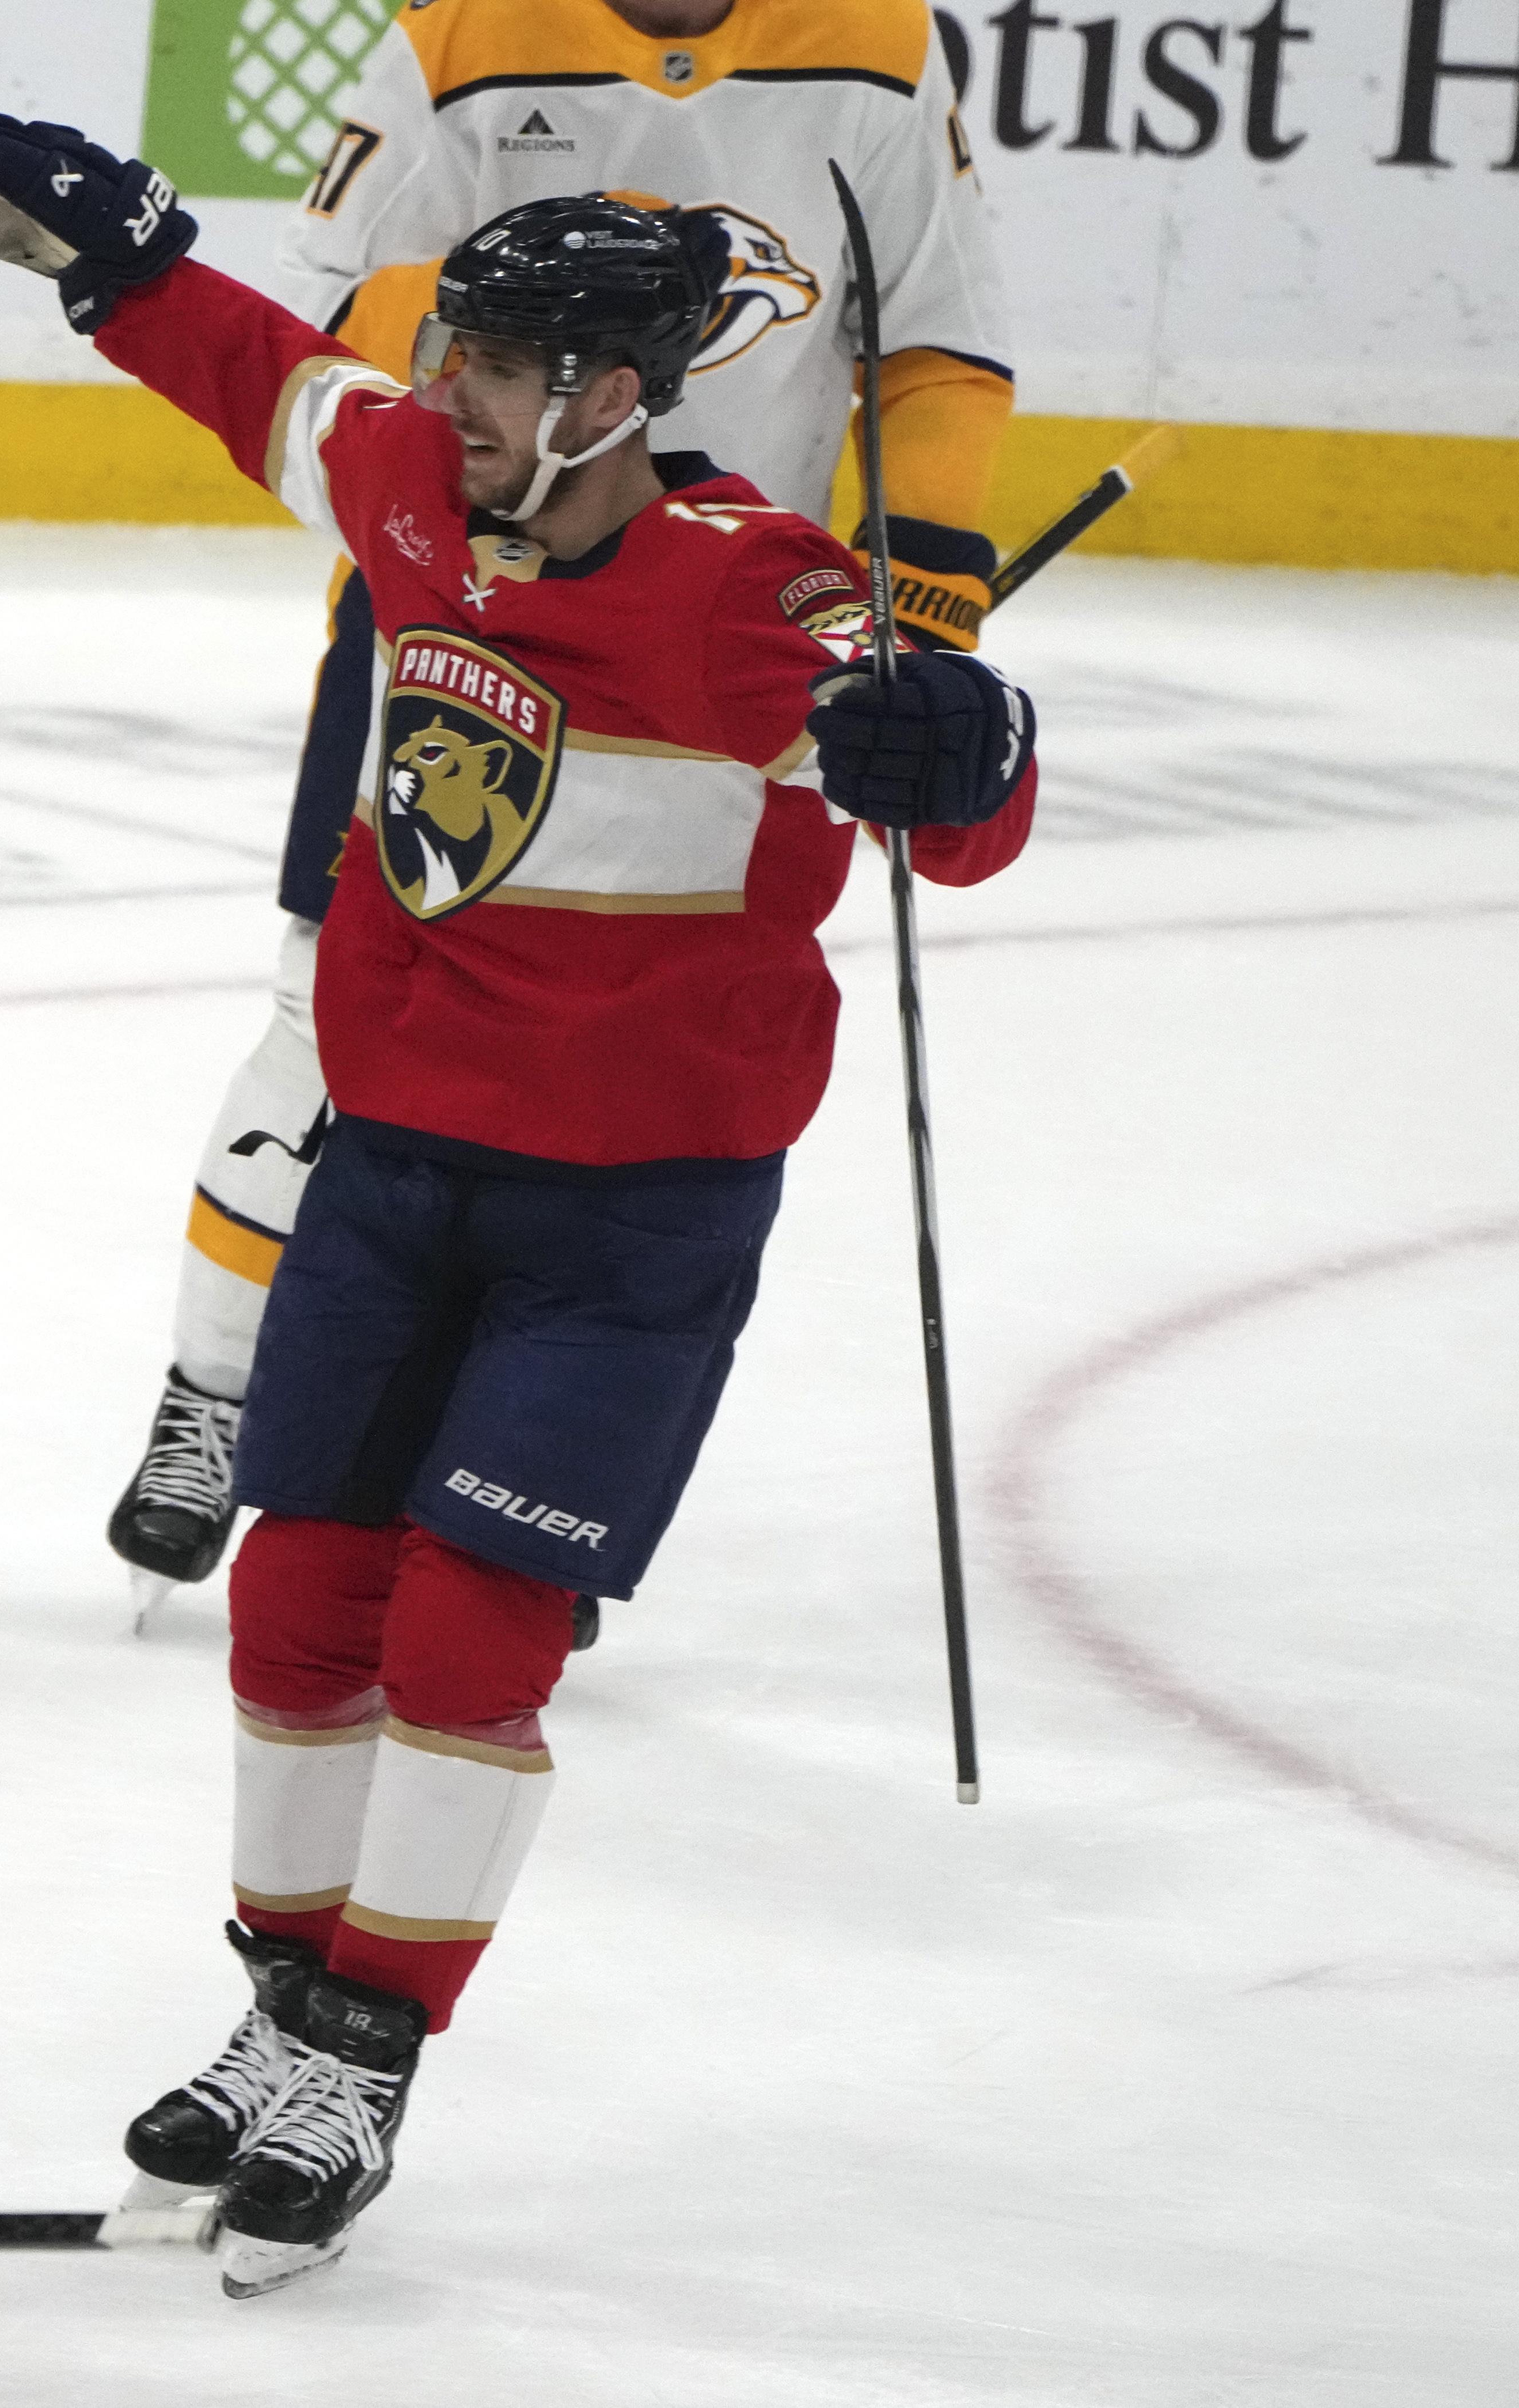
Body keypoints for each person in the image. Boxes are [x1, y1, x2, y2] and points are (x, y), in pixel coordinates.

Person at [0, 134, 1038, 2294]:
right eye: (465, 355)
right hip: (392, 1175)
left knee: (468, 1633)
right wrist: (104, 251)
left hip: (628, 1225)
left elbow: (959, 802)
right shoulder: (416, 482)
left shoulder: (754, 594)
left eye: (514, 368)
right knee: (297, 1609)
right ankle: (278, 2010)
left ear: (624, 390)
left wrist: (955, 741)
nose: (465, 397)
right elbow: (252, 374)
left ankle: (371, 2046)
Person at [101, 0, 1013, 1619]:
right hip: (452, 614)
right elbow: (372, 305)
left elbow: (931, 332)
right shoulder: (467, 30)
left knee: (615, 1061)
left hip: (728, 643)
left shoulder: (878, 41)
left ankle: (496, 1479)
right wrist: (475, 506)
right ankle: (214, 1391)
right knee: (330, 1026)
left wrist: (916, 613)